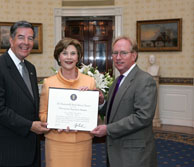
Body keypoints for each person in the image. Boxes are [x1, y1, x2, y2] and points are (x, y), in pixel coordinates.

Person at [0, 21, 49, 167]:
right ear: (11, 40)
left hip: (31, 149)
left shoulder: (30, 68)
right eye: (21, 37)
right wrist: (30, 125)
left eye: (30, 38)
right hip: (8, 151)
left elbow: (32, 104)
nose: (26, 42)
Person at [91, 36, 158, 167]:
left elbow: (143, 117)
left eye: (123, 53)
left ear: (134, 55)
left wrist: (108, 129)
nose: (118, 57)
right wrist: (102, 102)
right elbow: (114, 111)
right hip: (116, 150)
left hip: (133, 154)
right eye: (115, 53)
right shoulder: (118, 80)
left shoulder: (144, 80)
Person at [39, 38, 103, 167]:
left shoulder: (89, 82)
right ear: (58, 57)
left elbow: (92, 116)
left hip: (82, 142)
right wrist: (57, 122)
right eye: (64, 53)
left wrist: (93, 100)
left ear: (78, 57)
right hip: (56, 142)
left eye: (73, 53)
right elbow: (42, 114)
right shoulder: (48, 83)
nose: (69, 57)